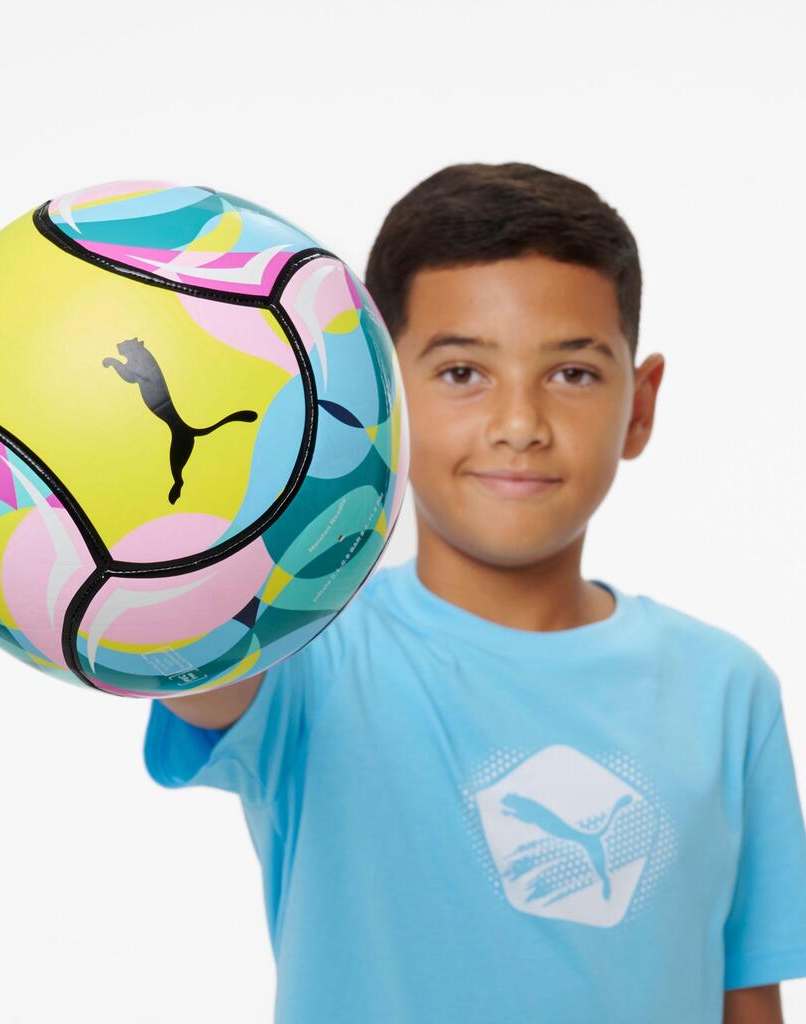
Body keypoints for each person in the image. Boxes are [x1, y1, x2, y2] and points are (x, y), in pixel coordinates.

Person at [140, 162, 806, 1023]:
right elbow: (181, 643)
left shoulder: (725, 689)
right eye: (462, 373)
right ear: (383, 397)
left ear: (640, 407)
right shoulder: (305, 652)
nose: (519, 425)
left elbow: (746, 999)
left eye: (572, 373)